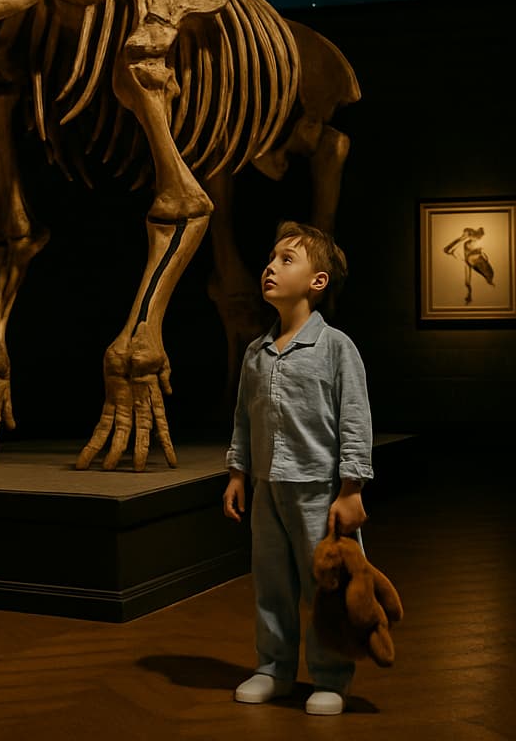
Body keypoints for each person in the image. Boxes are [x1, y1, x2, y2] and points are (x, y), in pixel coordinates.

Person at [223, 219, 373, 717]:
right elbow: (244, 419)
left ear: (318, 281)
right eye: (270, 258)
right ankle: (274, 668)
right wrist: (238, 473)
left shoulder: (336, 348)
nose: (270, 267)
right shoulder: (255, 353)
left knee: (324, 589)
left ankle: (331, 676)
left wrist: (350, 488)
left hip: (318, 493)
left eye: (287, 259)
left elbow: (354, 419)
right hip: (268, 490)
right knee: (271, 583)